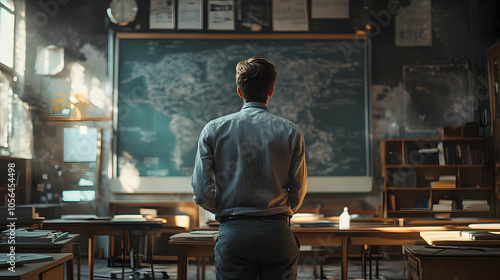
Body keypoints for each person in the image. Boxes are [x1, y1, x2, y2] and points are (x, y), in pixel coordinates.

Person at [191, 57, 307, 280]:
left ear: (239, 91)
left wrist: (222, 208)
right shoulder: (291, 132)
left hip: (234, 233)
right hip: (277, 234)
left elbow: (200, 191)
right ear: (271, 90)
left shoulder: (213, 130)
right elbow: (298, 190)